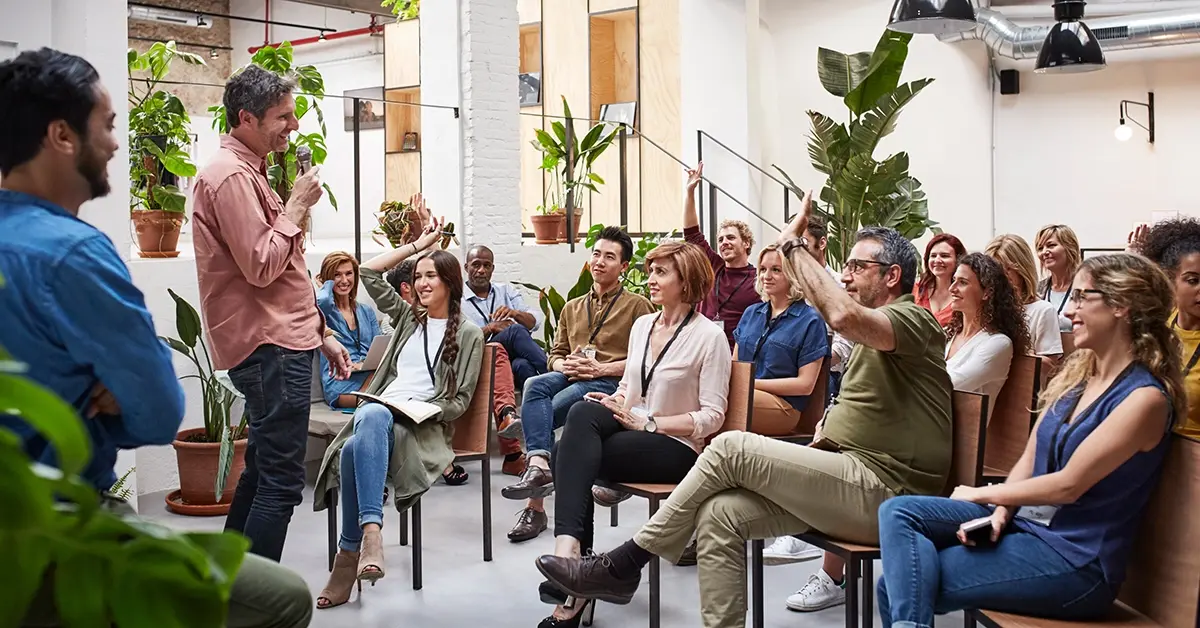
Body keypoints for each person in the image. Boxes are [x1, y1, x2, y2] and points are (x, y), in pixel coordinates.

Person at [534, 191, 954, 627]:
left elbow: (840, 318)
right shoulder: (872, 334)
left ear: (893, 276)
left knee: (730, 448)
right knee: (720, 514)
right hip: (846, 475)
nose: (844, 275)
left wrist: (792, 245)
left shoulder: (913, 320)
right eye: (844, 265)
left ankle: (622, 565)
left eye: (856, 266)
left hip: (887, 492)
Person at [0, 47, 312, 627]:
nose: (118, 145)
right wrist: (115, 393)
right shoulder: (77, 253)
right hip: (58, 520)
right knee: (284, 584)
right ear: (62, 135)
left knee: (265, 473)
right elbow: (156, 415)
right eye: (108, 126)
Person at [875, 253, 1182, 627]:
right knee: (898, 512)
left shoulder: (1145, 399)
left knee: (898, 584)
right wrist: (1002, 513)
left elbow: (1068, 486)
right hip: (1029, 526)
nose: (1071, 311)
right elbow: (1029, 459)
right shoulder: (1078, 380)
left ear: (1121, 306)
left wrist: (983, 494)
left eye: (1084, 297)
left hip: (1075, 561)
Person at [192, 64, 352, 562]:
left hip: (284, 339)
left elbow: (285, 274)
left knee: (263, 471)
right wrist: (297, 206)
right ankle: (254, 606)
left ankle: (230, 587)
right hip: (270, 349)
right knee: (282, 484)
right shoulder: (230, 177)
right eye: (283, 116)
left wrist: (320, 330)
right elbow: (262, 266)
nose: (294, 126)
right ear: (246, 117)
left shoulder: (249, 172)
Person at [535, 241, 731, 628]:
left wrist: (651, 424)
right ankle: (573, 563)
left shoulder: (710, 338)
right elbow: (628, 387)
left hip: (675, 447)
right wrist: (616, 401)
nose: (650, 279)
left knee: (564, 454)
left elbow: (713, 417)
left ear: (686, 281)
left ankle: (574, 576)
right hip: (635, 426)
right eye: (651, 270)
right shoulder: (644, 326)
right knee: (583, 410)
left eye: (661, 272)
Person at [311, 223, 485, 609]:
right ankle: (372, 534)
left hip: (421, 425)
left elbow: (458, 402)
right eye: (418, 276)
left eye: (430, 277)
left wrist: (423, 409)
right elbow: (369, 272)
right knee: (370, 417)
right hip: (383, 412)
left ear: (450, 283)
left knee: (355, 444)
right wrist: (417, 246)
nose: (421, 284)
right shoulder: (410, 319)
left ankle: (349, 555)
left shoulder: (469, 334)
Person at [502, 226, 656, 543]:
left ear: (624, 266)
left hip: (611, 382)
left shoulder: (638, 306)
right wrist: (564, 364)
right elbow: (555, 354)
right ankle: (538, 464)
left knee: (550, 413)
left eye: (610, 257)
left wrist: (601, 366)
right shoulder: (573, 307)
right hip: (574, 374)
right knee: (535, 385)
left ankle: (536, 497)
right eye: (596, 254)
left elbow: (647, 358)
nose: (599, 261)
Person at [732, 245, 829, 435]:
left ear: (793, 274)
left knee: (725, 400)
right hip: (744, 394)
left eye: (776, 270)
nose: (766, 276)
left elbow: (805, 385)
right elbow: (735, 366)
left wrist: (749, 383)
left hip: (784, 407)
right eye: (762, 270)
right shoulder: (751, 313)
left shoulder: (810, 320)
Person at [1128, 218, 1200, 438]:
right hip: (1155, 448)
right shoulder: (1160, 323)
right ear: (1170, 280)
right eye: (1192, 280)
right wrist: (1131, 261)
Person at [682, 162, 758, 347]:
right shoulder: (713, 265)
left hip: (737, 353)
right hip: (701, 346)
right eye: (721, 239)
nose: (724, 242)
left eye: (731, 238)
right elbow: (691, 234)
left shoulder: (758, 278)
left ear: (746, 243)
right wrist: (690, 192)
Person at [944, 253, 1030, 410]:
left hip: (954, 432)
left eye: (962, 282)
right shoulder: (947, 334)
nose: (952, 289)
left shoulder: (998, 344)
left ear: (987, 293)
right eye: (953, 280)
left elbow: (949, 384)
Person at [463, 242, 548, 389]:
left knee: (523, 365)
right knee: (514, 330)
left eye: (487, 265)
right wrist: (491, 327)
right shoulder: (457, 299)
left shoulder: (505, 290)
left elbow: (535, 321)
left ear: (492, 269)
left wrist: (515, 313)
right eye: (476, 265)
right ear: (466, 267)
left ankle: (544, 404)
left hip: (505, 360)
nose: (481, 270)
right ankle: (554, 372)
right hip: (478, 359)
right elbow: (461, 342)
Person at [315, 251, 383, 408]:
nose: (344, 280)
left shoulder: (366, 311)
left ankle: (371, 397)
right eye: (337, 275)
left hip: (370, 374)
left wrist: (363, 363)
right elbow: (322, 300)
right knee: (381, 399)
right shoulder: (324, 310)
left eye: (349, 273)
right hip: (340, 382)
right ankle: (371, 397)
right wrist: (325, 286)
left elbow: (379, 350)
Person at [985, 234, 1064, 363]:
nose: (1000, 277)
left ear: (1022, 270)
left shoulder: (1042, 310)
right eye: (995, 270)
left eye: (1008, 269)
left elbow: (1050, 364)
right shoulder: (986, 308)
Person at [801, 213, 853, 402]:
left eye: (803, 242)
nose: (797, 250)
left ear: (822, 243)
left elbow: (845, 343)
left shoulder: (842, 285)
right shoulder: (790, 284)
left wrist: (811, 365)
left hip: (827, 372)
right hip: (785, 371)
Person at [1035, 224, 1082, 332]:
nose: (1044, 252)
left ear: (1070, 247)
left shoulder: (1085, 287)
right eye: (1040, 248)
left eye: (1051, 245)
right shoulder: (1038, 290)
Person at [913, 233, 967, 328]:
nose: (937, 260)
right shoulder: (916, 290)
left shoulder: (966, 294)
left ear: (958, 260)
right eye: (933, 256)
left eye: (944, 256)